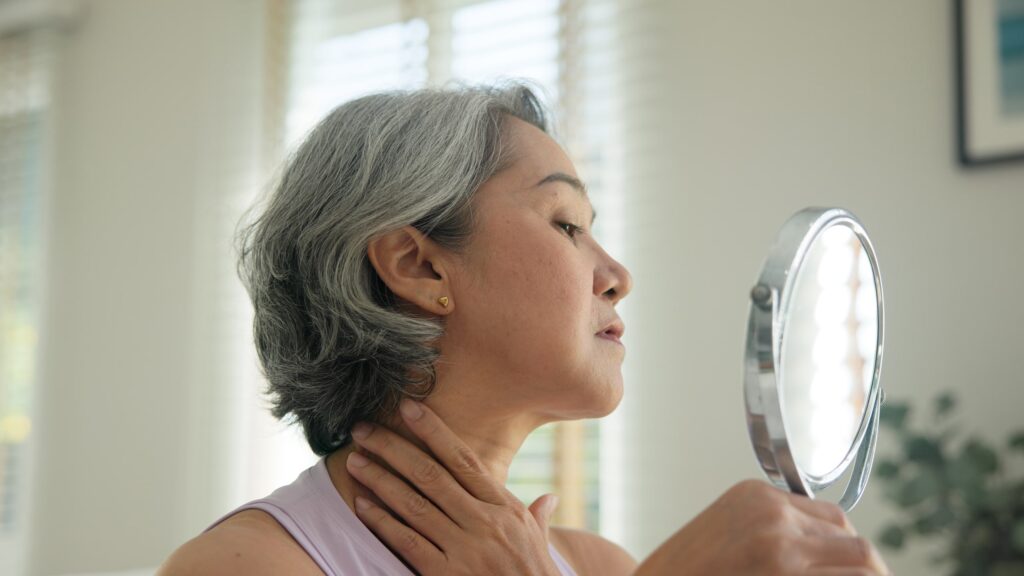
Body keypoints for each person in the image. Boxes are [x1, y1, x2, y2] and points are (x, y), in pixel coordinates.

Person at [158, 83, 890, 575]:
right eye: (566, 224)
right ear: (418, 265)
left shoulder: (600, 565)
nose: (618, 274)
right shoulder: (247, 565)